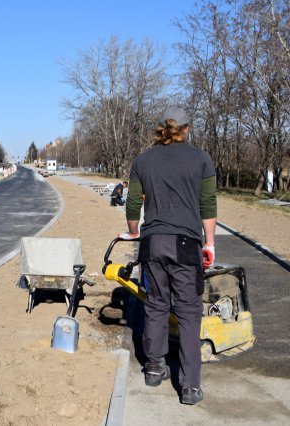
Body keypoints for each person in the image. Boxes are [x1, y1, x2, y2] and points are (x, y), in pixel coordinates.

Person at [118, 106, 217, 405]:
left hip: (153, 242)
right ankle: (189, 386)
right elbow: (208, 204)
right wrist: (209, 242)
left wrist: (134, 231)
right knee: (188, 313)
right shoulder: (201, 159)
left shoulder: (143, 160)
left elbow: (133, 202)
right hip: (186, 244)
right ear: (186, 129)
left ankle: (154, 367)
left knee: (157, 306)